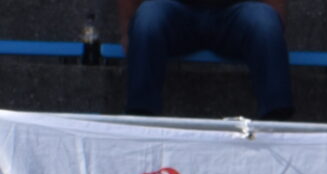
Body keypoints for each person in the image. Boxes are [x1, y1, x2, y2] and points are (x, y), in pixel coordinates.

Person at [121, 0, 293, 121]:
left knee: (265, 22)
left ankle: (276, 121)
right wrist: (127, 26)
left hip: (236, 13)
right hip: (174, 12)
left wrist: (274, 28)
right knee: (148, 19)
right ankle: (140, 117)